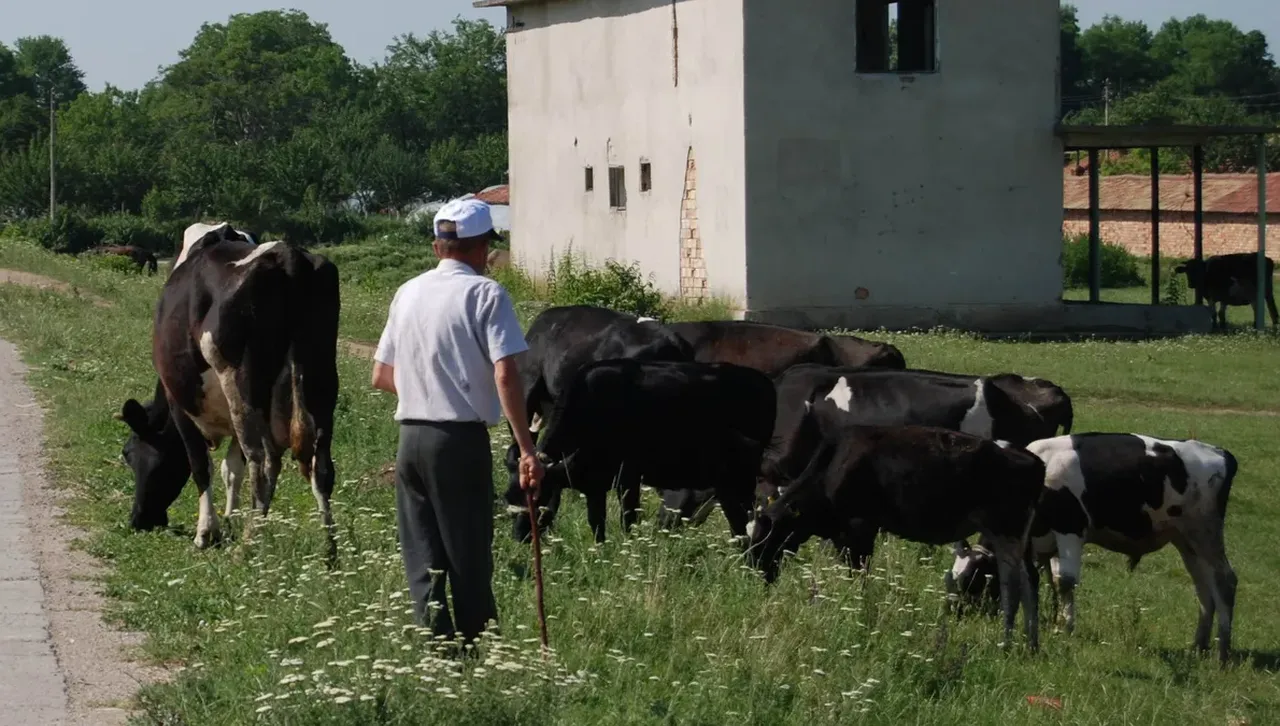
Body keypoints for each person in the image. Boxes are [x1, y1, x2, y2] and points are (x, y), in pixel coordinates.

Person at [370, 197, 544, 649]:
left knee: (422, 553)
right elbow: (506, 373)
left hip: (411, 438)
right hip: (458, 440)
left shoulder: (407, 291)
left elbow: (381, 375)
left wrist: (425, 390)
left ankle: (435, 648)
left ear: (437, 247)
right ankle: (477, 647)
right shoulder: (486, 294)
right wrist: (526, 447)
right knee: (467, 551)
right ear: (483, 246)